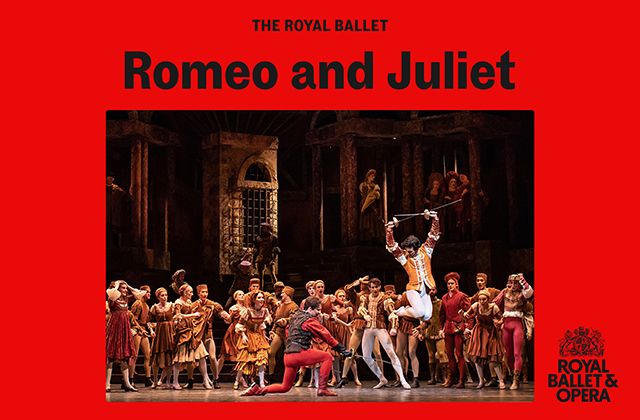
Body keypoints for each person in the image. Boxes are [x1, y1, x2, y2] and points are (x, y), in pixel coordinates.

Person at [240, 296, 353, 397]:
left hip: (288, 356)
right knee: (327, 357)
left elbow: (288, 330)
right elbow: (326, 336)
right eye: (317, 310)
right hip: (299, 353)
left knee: (285, 387)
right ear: (310, 309)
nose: (319, 313)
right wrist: (343, 350)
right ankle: (322, 388)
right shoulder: (310, 320)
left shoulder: (295, 316)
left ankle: (257, 390)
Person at [385, 210, 440, 322]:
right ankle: (400, 312)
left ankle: (406, 311)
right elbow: (392, 248)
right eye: (407, 251)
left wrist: (435, 219)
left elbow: (433, 236)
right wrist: (389, 231)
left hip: (425, 288)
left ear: (416, 249)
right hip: (413, 289)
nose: (408, 253)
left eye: (410, 251)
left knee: (427, 316)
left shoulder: (426, 252)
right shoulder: (405, 258)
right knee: (419, 312)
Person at [359, 278, 411, 389]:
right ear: (369, 288)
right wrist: (365, 315)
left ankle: (402, 379)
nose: (374, 290)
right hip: (368, 328)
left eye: (376, 287)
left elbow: (392, 314)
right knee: (366, 356)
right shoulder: (366, 298)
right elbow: (361, 308)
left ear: (379, 287)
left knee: (391, 353)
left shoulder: (385, 299)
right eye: (372, 287)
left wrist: (393, 327)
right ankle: (382, 378)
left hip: (380, 328)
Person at [493, 273, 534, 390]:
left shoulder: (523, 294)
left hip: (517, 325)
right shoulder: (505, 292)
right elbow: (494, 304)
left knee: (517, 353)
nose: (513, 285)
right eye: (511, 282)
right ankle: (512, 374)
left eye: (515, 282)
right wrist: (497, 319)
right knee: (508, 354)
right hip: (506, 324)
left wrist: (523, 281)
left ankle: (516, 380)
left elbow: (530, 293)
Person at [106, 280, 147, 392]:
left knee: (125, 356)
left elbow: (141, 293)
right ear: (117, 288)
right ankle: (107, 384)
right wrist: (117, 285)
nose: (125, 290)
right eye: (123, 288)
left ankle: (127, 383)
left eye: (125, 288)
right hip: (115, 328)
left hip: (124, 329)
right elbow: (112, 294)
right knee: (110, 356)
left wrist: (128, 286)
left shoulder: (126, 299)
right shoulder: (112, 298)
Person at [461, 289, 506, 389]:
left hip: (491, 333)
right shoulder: (476, 306)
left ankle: (501, 381)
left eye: (484, 299)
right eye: (480, 299)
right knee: (478, 359)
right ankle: (481, 381)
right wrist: (464, 315)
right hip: (479, 333)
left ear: (488, 299)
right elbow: (466, 316)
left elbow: (502, 318)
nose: (481, 302)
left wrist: (499, 322)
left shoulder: (493, 307)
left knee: (493, 359)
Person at [191, 284, 231, 389]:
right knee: (201, 358)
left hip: (208, 333)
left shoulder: (212, 305)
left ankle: (216, 378)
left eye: (206, 292)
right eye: (202, 292)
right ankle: (205, 379)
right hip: (198, 334)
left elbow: (220, 312)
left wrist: (225, 315)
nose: (204, 294)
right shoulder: (194, 305)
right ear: (198, 293)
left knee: (212, 357)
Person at [172, 284, 209, 390]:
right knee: (180, 358)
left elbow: (200, 313)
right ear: (183, 292)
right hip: (183, 331)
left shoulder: (189, 303)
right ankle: (175, 382)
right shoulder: (178, 303)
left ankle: (206, 380)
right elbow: (177, 315)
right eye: (189, 292)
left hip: (192, 331)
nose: (191, 294)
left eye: (192, 292)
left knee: (201, 355)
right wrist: (192, 315)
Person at [438, 272, 472, 388]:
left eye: (452, 283)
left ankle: (462, 379)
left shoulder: (462, 296)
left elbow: (470, 314)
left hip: (457, 326)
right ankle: (452, 377)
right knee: (449, 354)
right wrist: (440, 329)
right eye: (448, 284)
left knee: (459, 353)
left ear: (456, 284)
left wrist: (468, 327)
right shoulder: (444, 297)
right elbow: (442, 314)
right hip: (448, 326)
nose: (450, 286)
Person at [233, 289, 272, 388]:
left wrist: (264, 331)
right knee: (244, 360)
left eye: (262, 297)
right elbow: (240, 325)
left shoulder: (264, 311)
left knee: (261, 359)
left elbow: (264, 322)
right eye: (259, 297)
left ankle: (262, 383)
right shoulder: (247, 311)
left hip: (259, 337)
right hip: (249, 336)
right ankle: (237, 381)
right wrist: (243, 336)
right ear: (253, 300)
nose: (262, 299)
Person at [414, 286, 449, 385]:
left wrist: (443, 328)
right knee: (431, 355)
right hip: (428, 331)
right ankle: (433, 377)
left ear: (436, 291)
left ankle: (445, 377)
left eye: (433, 290)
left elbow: (445, 316)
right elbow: (421, 317)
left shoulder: (441, 302)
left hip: (438, 330)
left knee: (441, 354)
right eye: (430, 290)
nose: (431, 292)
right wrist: (421, 330)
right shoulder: (424, 303)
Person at [268, 286, 299, 382]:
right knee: (271, 352)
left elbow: (293, 318)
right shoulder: (280, 305)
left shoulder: (294, 306)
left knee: (289, 355)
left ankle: (290, 377)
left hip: (288, 332)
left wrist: (285, 320)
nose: (281, 294)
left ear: (288, 294)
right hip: (279, 331)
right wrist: (272, 330)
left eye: (283, 293)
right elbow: (276, 319)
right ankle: (270, 375)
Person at [219, 290, 248, 390]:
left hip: (242, 331)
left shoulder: (246, 308)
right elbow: (229, 321)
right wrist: (225, 317)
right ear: (235, 297)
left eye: (243, 294)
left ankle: (240, 378)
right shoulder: (233, 308)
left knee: (241, 355)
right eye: (240, 294)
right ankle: (216, 376)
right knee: (225, 353)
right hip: (232, 332)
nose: (242, 296)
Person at [147, 287, 175, 389]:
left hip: (169, 333)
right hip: (159, 333)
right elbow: (149, 321)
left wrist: (175, 323)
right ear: (158, 297)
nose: (164, 297)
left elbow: (176, 317)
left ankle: (167, 381)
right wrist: (151, 331)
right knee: (156, 356)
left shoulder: (171, 306)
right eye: (162, 295)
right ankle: (155, 380)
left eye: (166, 295)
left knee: (169, 357)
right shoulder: (154, 308)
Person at [393, 291, 421, 388]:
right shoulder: (404, 295)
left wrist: (420, 329)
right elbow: (398, 307)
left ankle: (416, 379)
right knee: (398, 351)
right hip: (404, 323)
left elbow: (423, 314)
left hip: (414, 325)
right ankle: (402, 377)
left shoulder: (420, 296)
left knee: (411, 352)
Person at [129, 285, 153, 387]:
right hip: (136, 330)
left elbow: (147, 321)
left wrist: (150, 330)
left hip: (143, 330)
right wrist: (140, 330)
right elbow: (133, 320)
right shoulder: (137, 304)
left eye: (150, 292)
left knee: (148, 355)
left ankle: (148, 378)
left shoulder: (146, 305)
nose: (149, 294)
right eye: (147, 292)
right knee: (135, 355)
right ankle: (130, 379)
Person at [359, 169, 385, 244]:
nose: (373, 178)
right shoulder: (363, 185)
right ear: (368, 176)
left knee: (374, 222)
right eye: (372, 176)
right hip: (366, 205)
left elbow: (376, 196)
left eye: (374, 176)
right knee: (366, 222)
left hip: (373, 206)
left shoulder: (375, 186)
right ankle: (366, 238)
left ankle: (374, 238)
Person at [253, 222, 280, 289]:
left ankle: (277, 290)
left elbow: (275, 250)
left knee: (272, 275)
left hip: (269, 258)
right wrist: (254, 261)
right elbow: (256, 251)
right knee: (260, 276)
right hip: (261, 258)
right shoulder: (258, 239)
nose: (265, 230)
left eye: (266, 228)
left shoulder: (273, 238)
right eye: (264, 228)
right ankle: (260, 289)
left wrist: (273, 260)